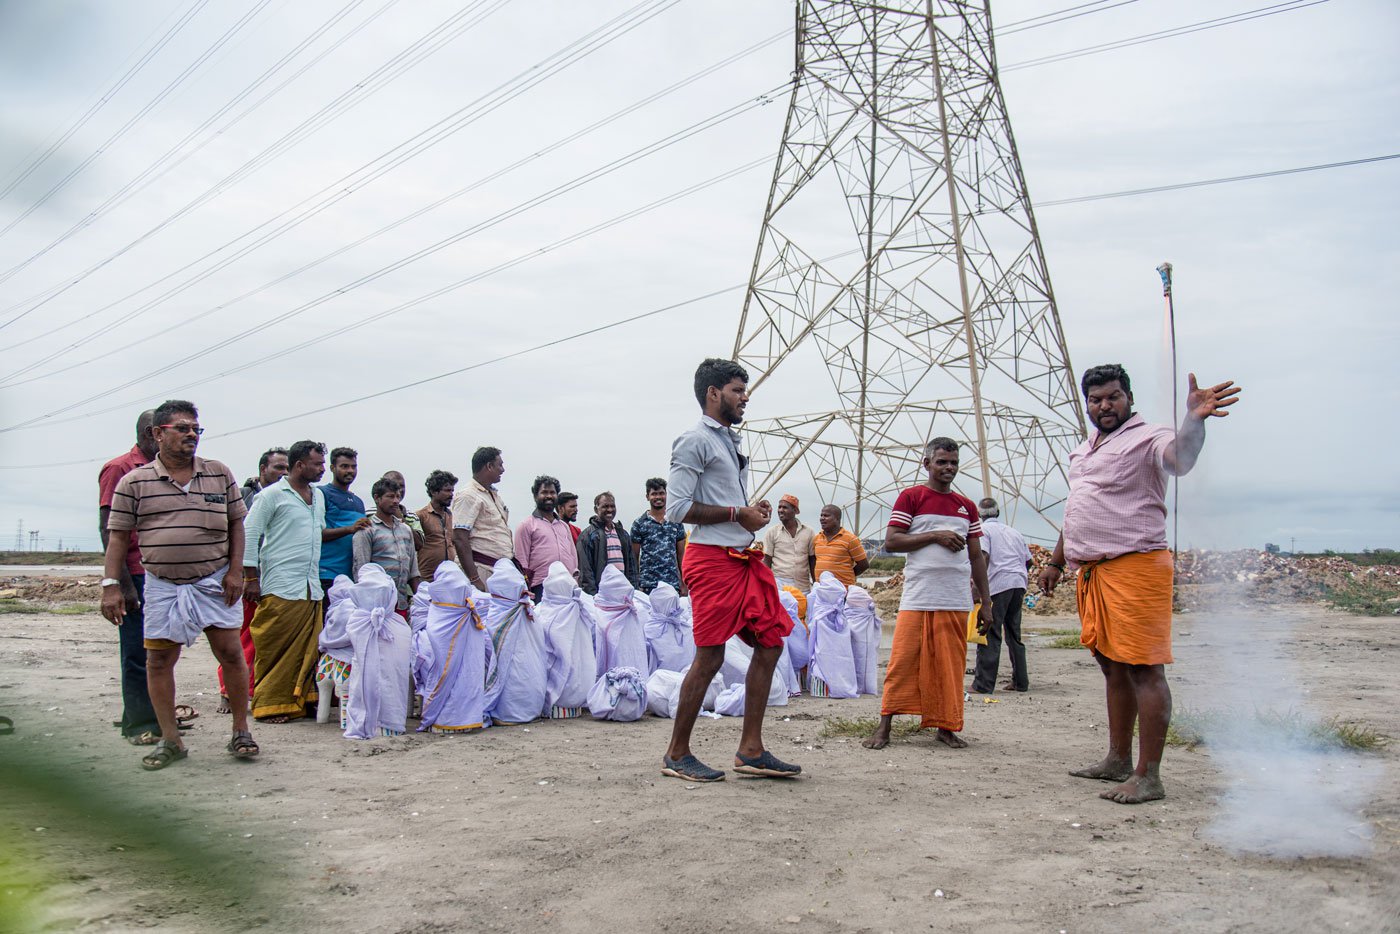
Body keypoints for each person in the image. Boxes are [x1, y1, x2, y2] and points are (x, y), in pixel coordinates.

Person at [1038, 365, 1240, 805]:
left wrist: (1194, 420)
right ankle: (1117, 759)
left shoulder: (1151, 437)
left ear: (1128, 397)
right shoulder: (1084, 450)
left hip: (1136, 566)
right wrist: (1056, 562)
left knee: (1144, 669)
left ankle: (1149, 776)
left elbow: (1181, 460)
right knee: (1111, 665)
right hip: (1092, 571)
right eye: (1095, 400)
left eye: (1112, 397)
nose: (1104, 406)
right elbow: (1078, 509)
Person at [660, 358, 799, 783]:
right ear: (714, 393)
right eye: (738, 389)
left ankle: (751, 750)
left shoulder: (728, 442)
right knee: (711, 655)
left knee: (771, 640)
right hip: (711, 561)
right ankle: (677, 753)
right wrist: (739, 513)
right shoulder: (693, 441)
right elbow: (677, 509)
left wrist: (747, 514)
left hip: (741, 560)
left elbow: (722, 504)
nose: (746, 397)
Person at [101, 399, 256, 769]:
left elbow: (237, 524)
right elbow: (118, 537)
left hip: (215, 582)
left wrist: (237, 571)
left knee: (231, 654)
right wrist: (111, 585)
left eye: (195, 429)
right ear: (158, 433)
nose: (191, 435)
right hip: (163, 585)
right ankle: (171, 740)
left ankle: (241, 731)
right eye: (182, 428)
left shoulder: (218, 473)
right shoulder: (133, 482)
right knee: (158, 661)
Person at [862, 438, 993, 752]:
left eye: (953, 463)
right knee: (902, 662)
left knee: (950, 666)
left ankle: (946, 727)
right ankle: (885, 726)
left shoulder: (967, 506)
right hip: (918, 597)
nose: (948, 468)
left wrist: (986, 602)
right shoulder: (912, 497)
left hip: (955, 599)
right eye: (942, 462)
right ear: (927, 464)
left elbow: (976, 557)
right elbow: (892, 541)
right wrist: (935, 534)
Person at [244, 440, 329, 723]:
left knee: (308, 648)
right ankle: (269, 704)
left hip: (310, 585)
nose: (322, 470)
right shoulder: (271, 496)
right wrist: (251, 578)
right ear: (299, 465)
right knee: (275, 647)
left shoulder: (317, 496)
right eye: (317, 464)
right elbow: (249, 535)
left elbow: (319, 534)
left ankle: (299, 702)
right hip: (280, 583)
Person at [97, 408, 162, 745]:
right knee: (137, 652)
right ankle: (139, 724)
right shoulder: (120, 468)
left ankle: (152, 717)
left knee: (158, 651)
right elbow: (110, 531)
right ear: (152, 433)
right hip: (134, 572)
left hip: (158, 572)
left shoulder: (161, 470)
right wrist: (118, 583)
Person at [220, 447, 290, 714]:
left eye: (286, 468)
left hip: (275, 578)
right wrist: (245, 576)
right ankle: (228, 692)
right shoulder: (246, 496)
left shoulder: (288, 496)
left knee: (267, 638)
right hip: (249, 578)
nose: (283, 473)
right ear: (263, 469)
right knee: (243, 636)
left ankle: (257, 688)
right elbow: (239, 537)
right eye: (278, 468)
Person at [971, 496, 1033, 695]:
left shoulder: (984, 531)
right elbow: (1028, 561)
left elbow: (984, 557)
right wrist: (1018, 573)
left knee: (989, 632)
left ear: (979, 515)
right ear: (998, 512)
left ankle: (983, 684)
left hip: (998, 584)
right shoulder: (1014, 532)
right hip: (1018, 583)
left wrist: (977, 590)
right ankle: (1020, 682)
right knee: (1014, 634)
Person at [352, 478, 422, 615]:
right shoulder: (367, 530)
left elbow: (413, 571)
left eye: (398, 496)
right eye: (390, 496)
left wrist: (421, 600)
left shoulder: (406, 530)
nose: (396, 501)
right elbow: (361, 571)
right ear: (377, 498)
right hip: (376, 607)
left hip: (401, 603)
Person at [451, 446, 513, 591]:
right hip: (481, 569)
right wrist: (474, 579)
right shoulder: (468, 495)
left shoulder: (493, 495)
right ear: (489, 466)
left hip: (497, 571)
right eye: (500, 465)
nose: (503, 470)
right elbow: (460, 538)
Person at [513, 475, 579, 599]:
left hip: (568, 586)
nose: (549, 496)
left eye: (552, 492)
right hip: (541, 587)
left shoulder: (563, 526)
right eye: (544, 492)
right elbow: (521, 561)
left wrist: (575, 579)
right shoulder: (526, 525)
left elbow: (573, 556)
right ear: (535, 496)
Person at [318, 448, 370, 595]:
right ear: (332, 468)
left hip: (351, 578)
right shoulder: (321, 493)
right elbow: (316, 534)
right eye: (344, 466)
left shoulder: (358, 501)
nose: (350, 471)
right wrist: (349, 529)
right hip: (326, 575)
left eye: (353, 467)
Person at [629, 478, 687, 594]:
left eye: (661, 493)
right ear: (647, 497)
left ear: (666, 495)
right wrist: (636, 585)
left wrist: (684, 584)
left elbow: (682, 556)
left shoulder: (676, 521)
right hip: (647, 585)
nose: (658, 497)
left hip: (672, 584)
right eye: (654, 494)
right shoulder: (639, 524)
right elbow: (634, 559)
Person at [577, 492, 639, 594]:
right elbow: (586, 572)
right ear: (596, 509)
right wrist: (592, 596)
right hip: (602, 595)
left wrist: (634, 591)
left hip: (623, 592)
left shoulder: (623, 534)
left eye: (612, 506)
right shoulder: (587, 536)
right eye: (605, 506)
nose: (610, 510)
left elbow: (632, 567)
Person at [761, 493, 816, 593]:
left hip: (802, 586)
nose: (780, 510)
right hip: (779, 585)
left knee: (803, 608)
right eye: (779, 507)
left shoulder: (809, 532)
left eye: (785, 507)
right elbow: (767, 560)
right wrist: (766, 585)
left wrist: (816, 584)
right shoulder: (772, 532)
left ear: (795, 511)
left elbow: (812, 559)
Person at [415, 470, 459, 580]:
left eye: (452, 491)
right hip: (427, 578)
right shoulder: (421, 516)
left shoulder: (451, 516)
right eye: (447, 490)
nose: (451, 495)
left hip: (449, 577)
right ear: (434, 492)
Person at [813, 504, 870, 587]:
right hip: (822, 592)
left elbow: (864, 565)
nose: (822, 518)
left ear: (837, 518)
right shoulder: (817, 539)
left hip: (843, 591)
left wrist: (846, 575)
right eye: (821, 515)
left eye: (826, 515)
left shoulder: (850, 539)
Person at [380, 470, 423, 550]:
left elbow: (419, 544)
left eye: (402, 486)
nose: (399, 490)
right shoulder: (370, 514)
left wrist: (399, 516)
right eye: (394, 486)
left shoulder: (412, 516)